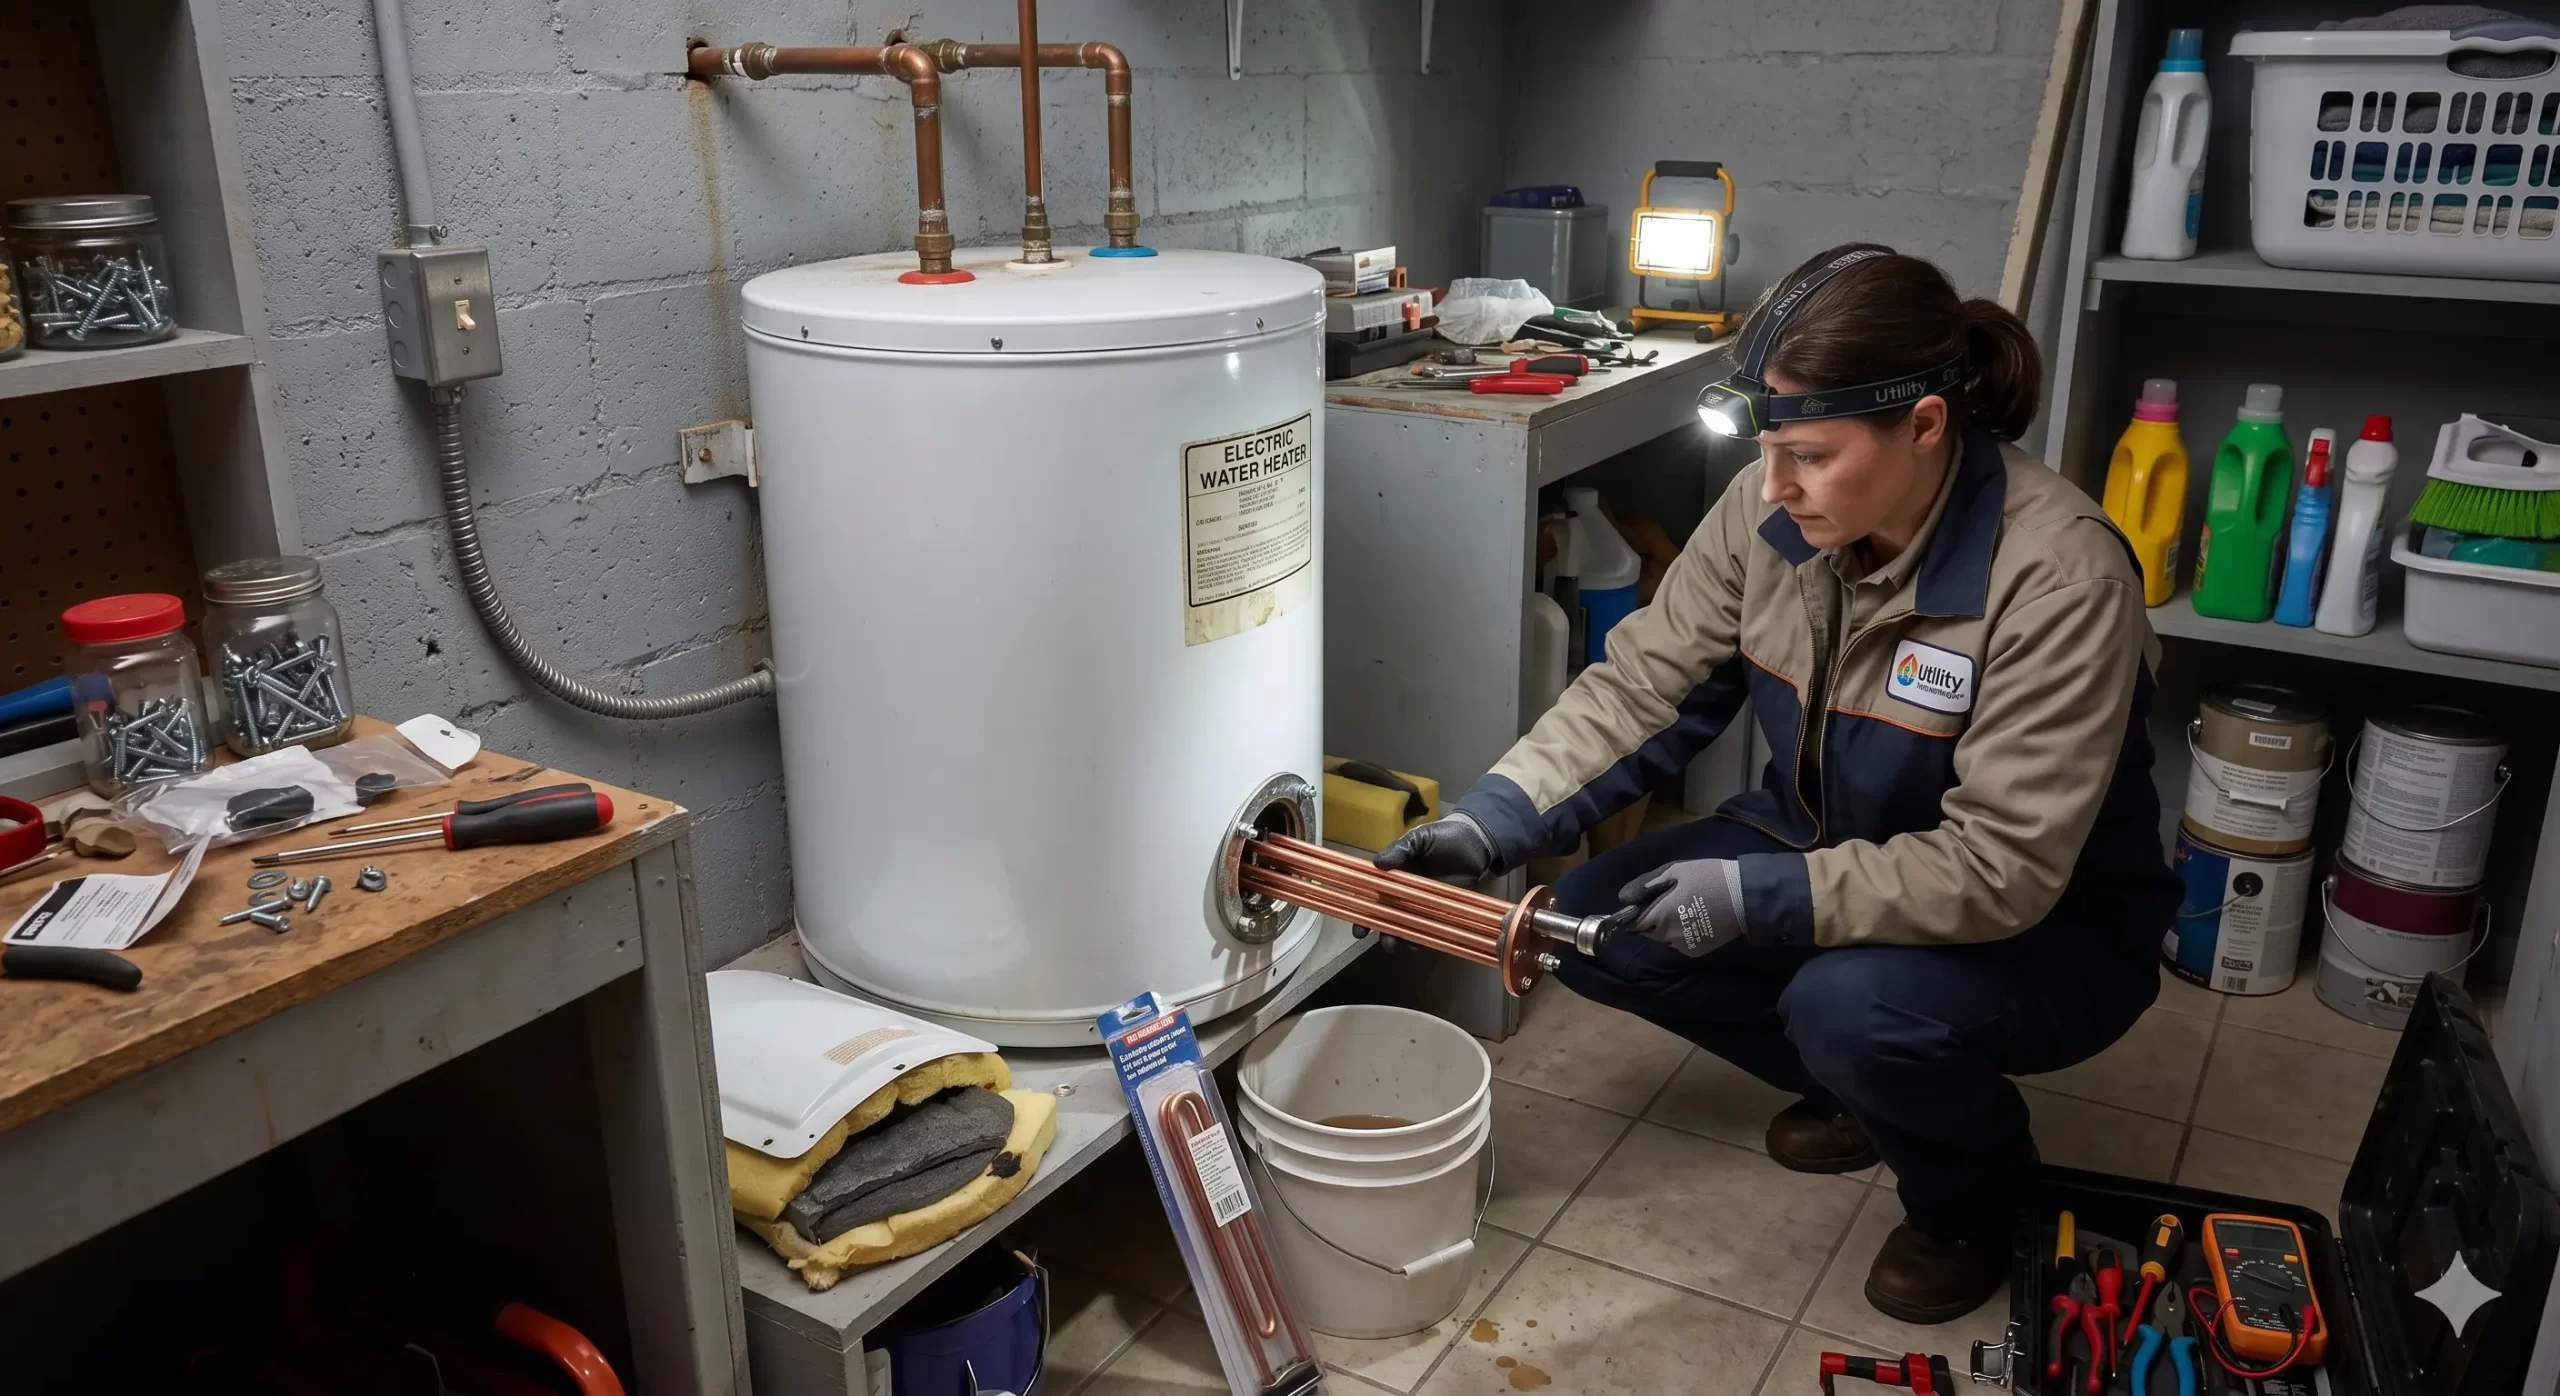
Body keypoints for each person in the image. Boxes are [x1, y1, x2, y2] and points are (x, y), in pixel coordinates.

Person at [1377, 244, 2180, 1324]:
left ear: (1927, 426)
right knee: (1587, 923)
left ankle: (1970, 1200)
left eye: (1808, 453)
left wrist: (1767, 901)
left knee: (1846, 1004)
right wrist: (1495, 816)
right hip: (1824, 839)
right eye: (1766, 449)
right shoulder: (1775, 519)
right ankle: (1862, 1091)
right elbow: (1642, 689)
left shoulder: (2055, 576)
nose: (1773, 485)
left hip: (2045, 929)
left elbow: (2004, 866)